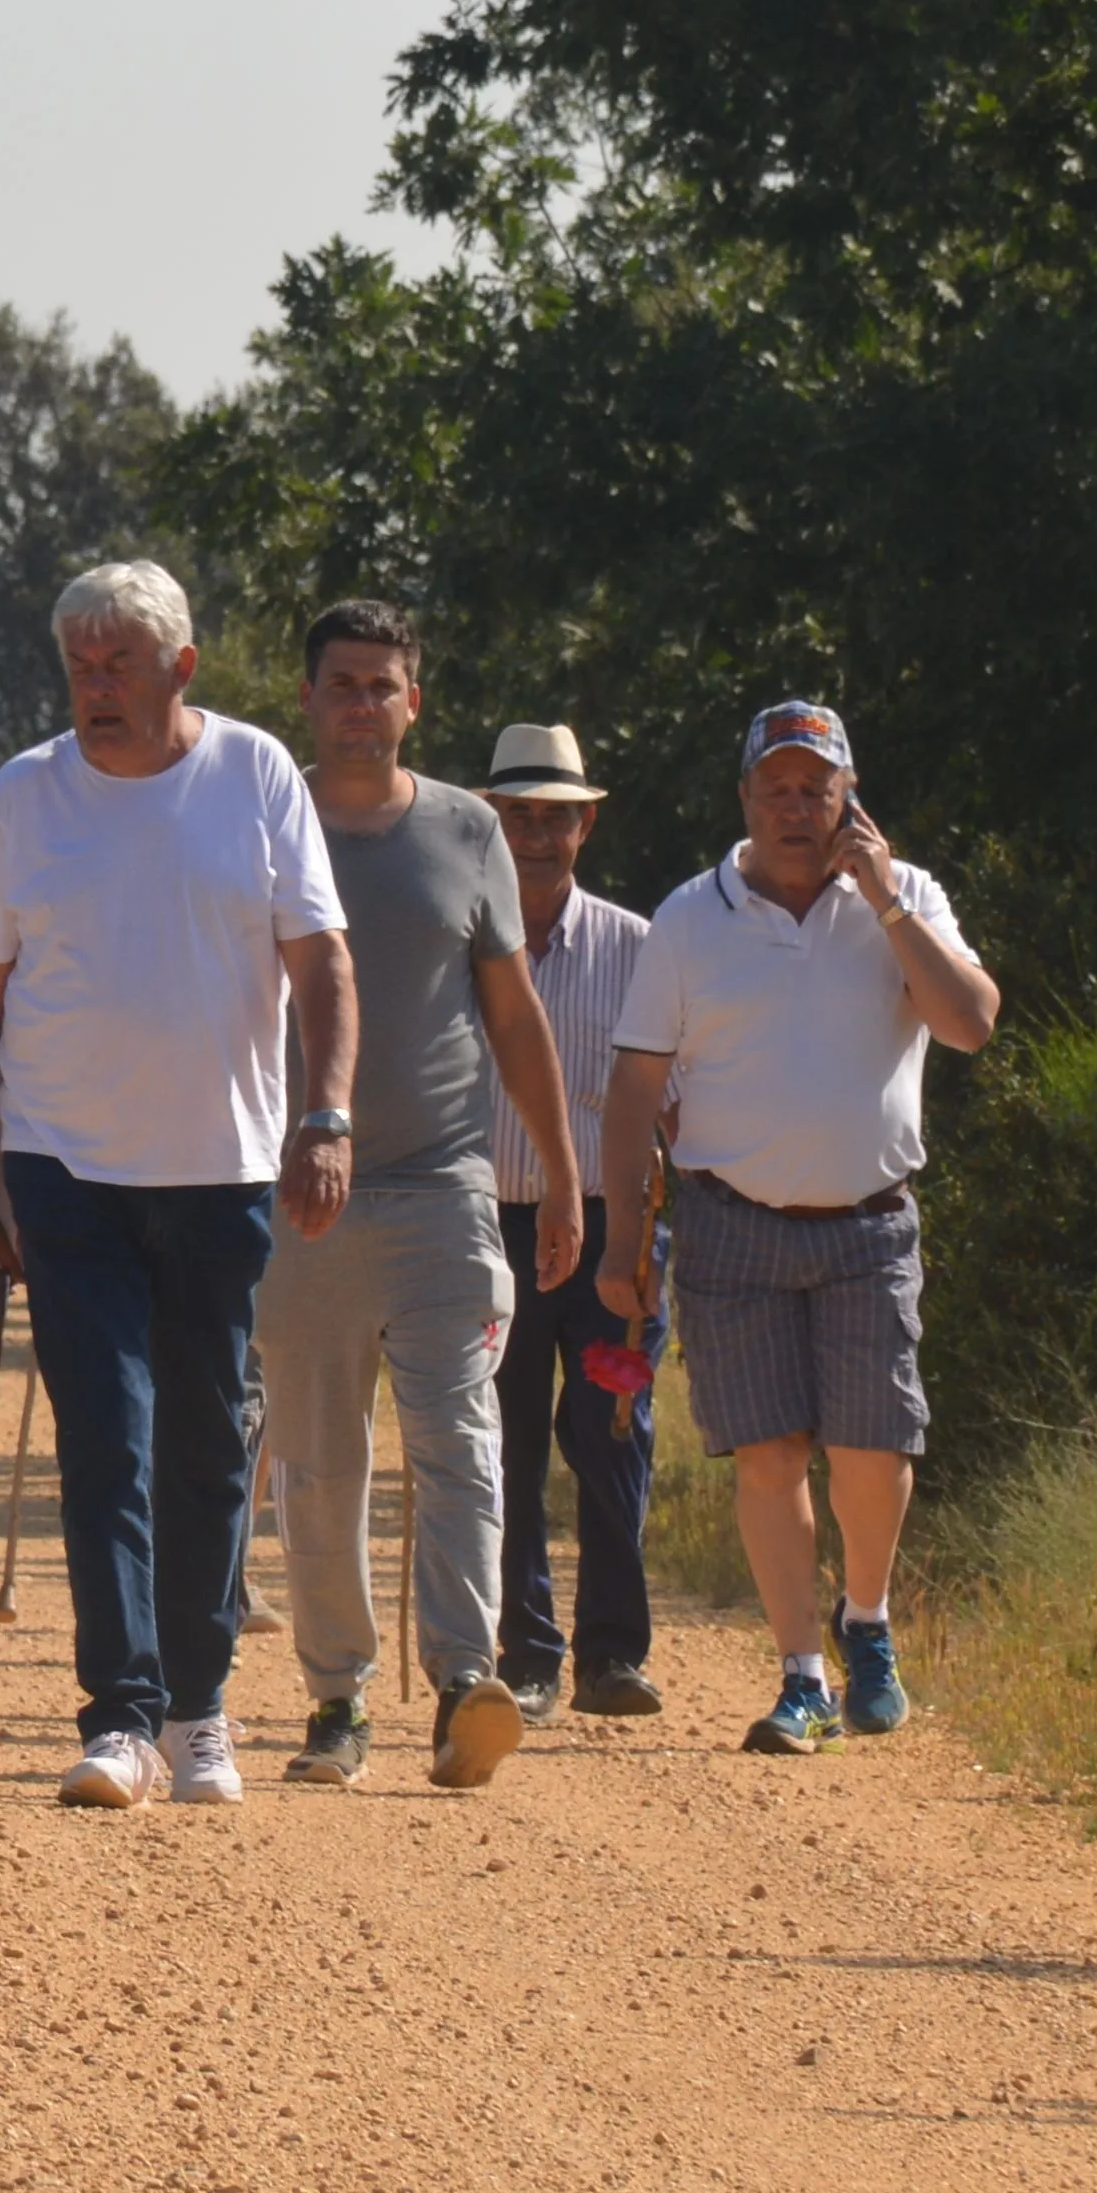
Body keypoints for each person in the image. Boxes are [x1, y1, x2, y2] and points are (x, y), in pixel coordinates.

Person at [0, 563, 354, 1811]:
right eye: (80, 666)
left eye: (120, 663)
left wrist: (326, 1115)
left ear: (181, 667)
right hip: (66, 1170)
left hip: (222, 1166)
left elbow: (321, 962)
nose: (96, 686)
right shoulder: (24, 794)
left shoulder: (256, 774)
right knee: (107, 1437)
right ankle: (120, 1715)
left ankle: (201, 1710)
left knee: (207, 1443)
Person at [597, 701, 1001, 1755]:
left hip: (869, 1224)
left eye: (815, 788)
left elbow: (970, 1022)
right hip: (730, 1223)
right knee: (768, 1455)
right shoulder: (692, 915)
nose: (794, 806)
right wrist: (621, 1237)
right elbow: (635, 1085)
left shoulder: (907, 895)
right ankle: (801, 1677)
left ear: (848, 798)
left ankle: (865, 1619)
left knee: (874, 1444)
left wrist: (885, 897)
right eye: (774, 787)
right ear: (744, 798)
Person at [256, 605, 587, 1793]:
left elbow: (513, 1012)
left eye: (381, 684)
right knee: (319, 1462)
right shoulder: (263, 821)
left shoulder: (465, 829)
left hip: (445, 1185)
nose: (362, 703)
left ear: (414, 701)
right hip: (299, 1196)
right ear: (308, 697)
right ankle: (337, 1696)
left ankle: (462, 1680)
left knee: (461, 1438)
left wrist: (558, 1172)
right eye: (342, 682)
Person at [479, 722, 666, 1725]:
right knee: (502, 1444)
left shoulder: (640, 949)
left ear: (586, 826)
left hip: (612, 1239)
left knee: (611, 1435)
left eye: (556, 817)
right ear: (489, 821)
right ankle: (528, 1656)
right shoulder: (460, 945)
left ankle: (612, 1654)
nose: (537, 836)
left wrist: (649, 1234)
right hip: (488, 1235)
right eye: (518, 815)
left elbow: (677, 1100)